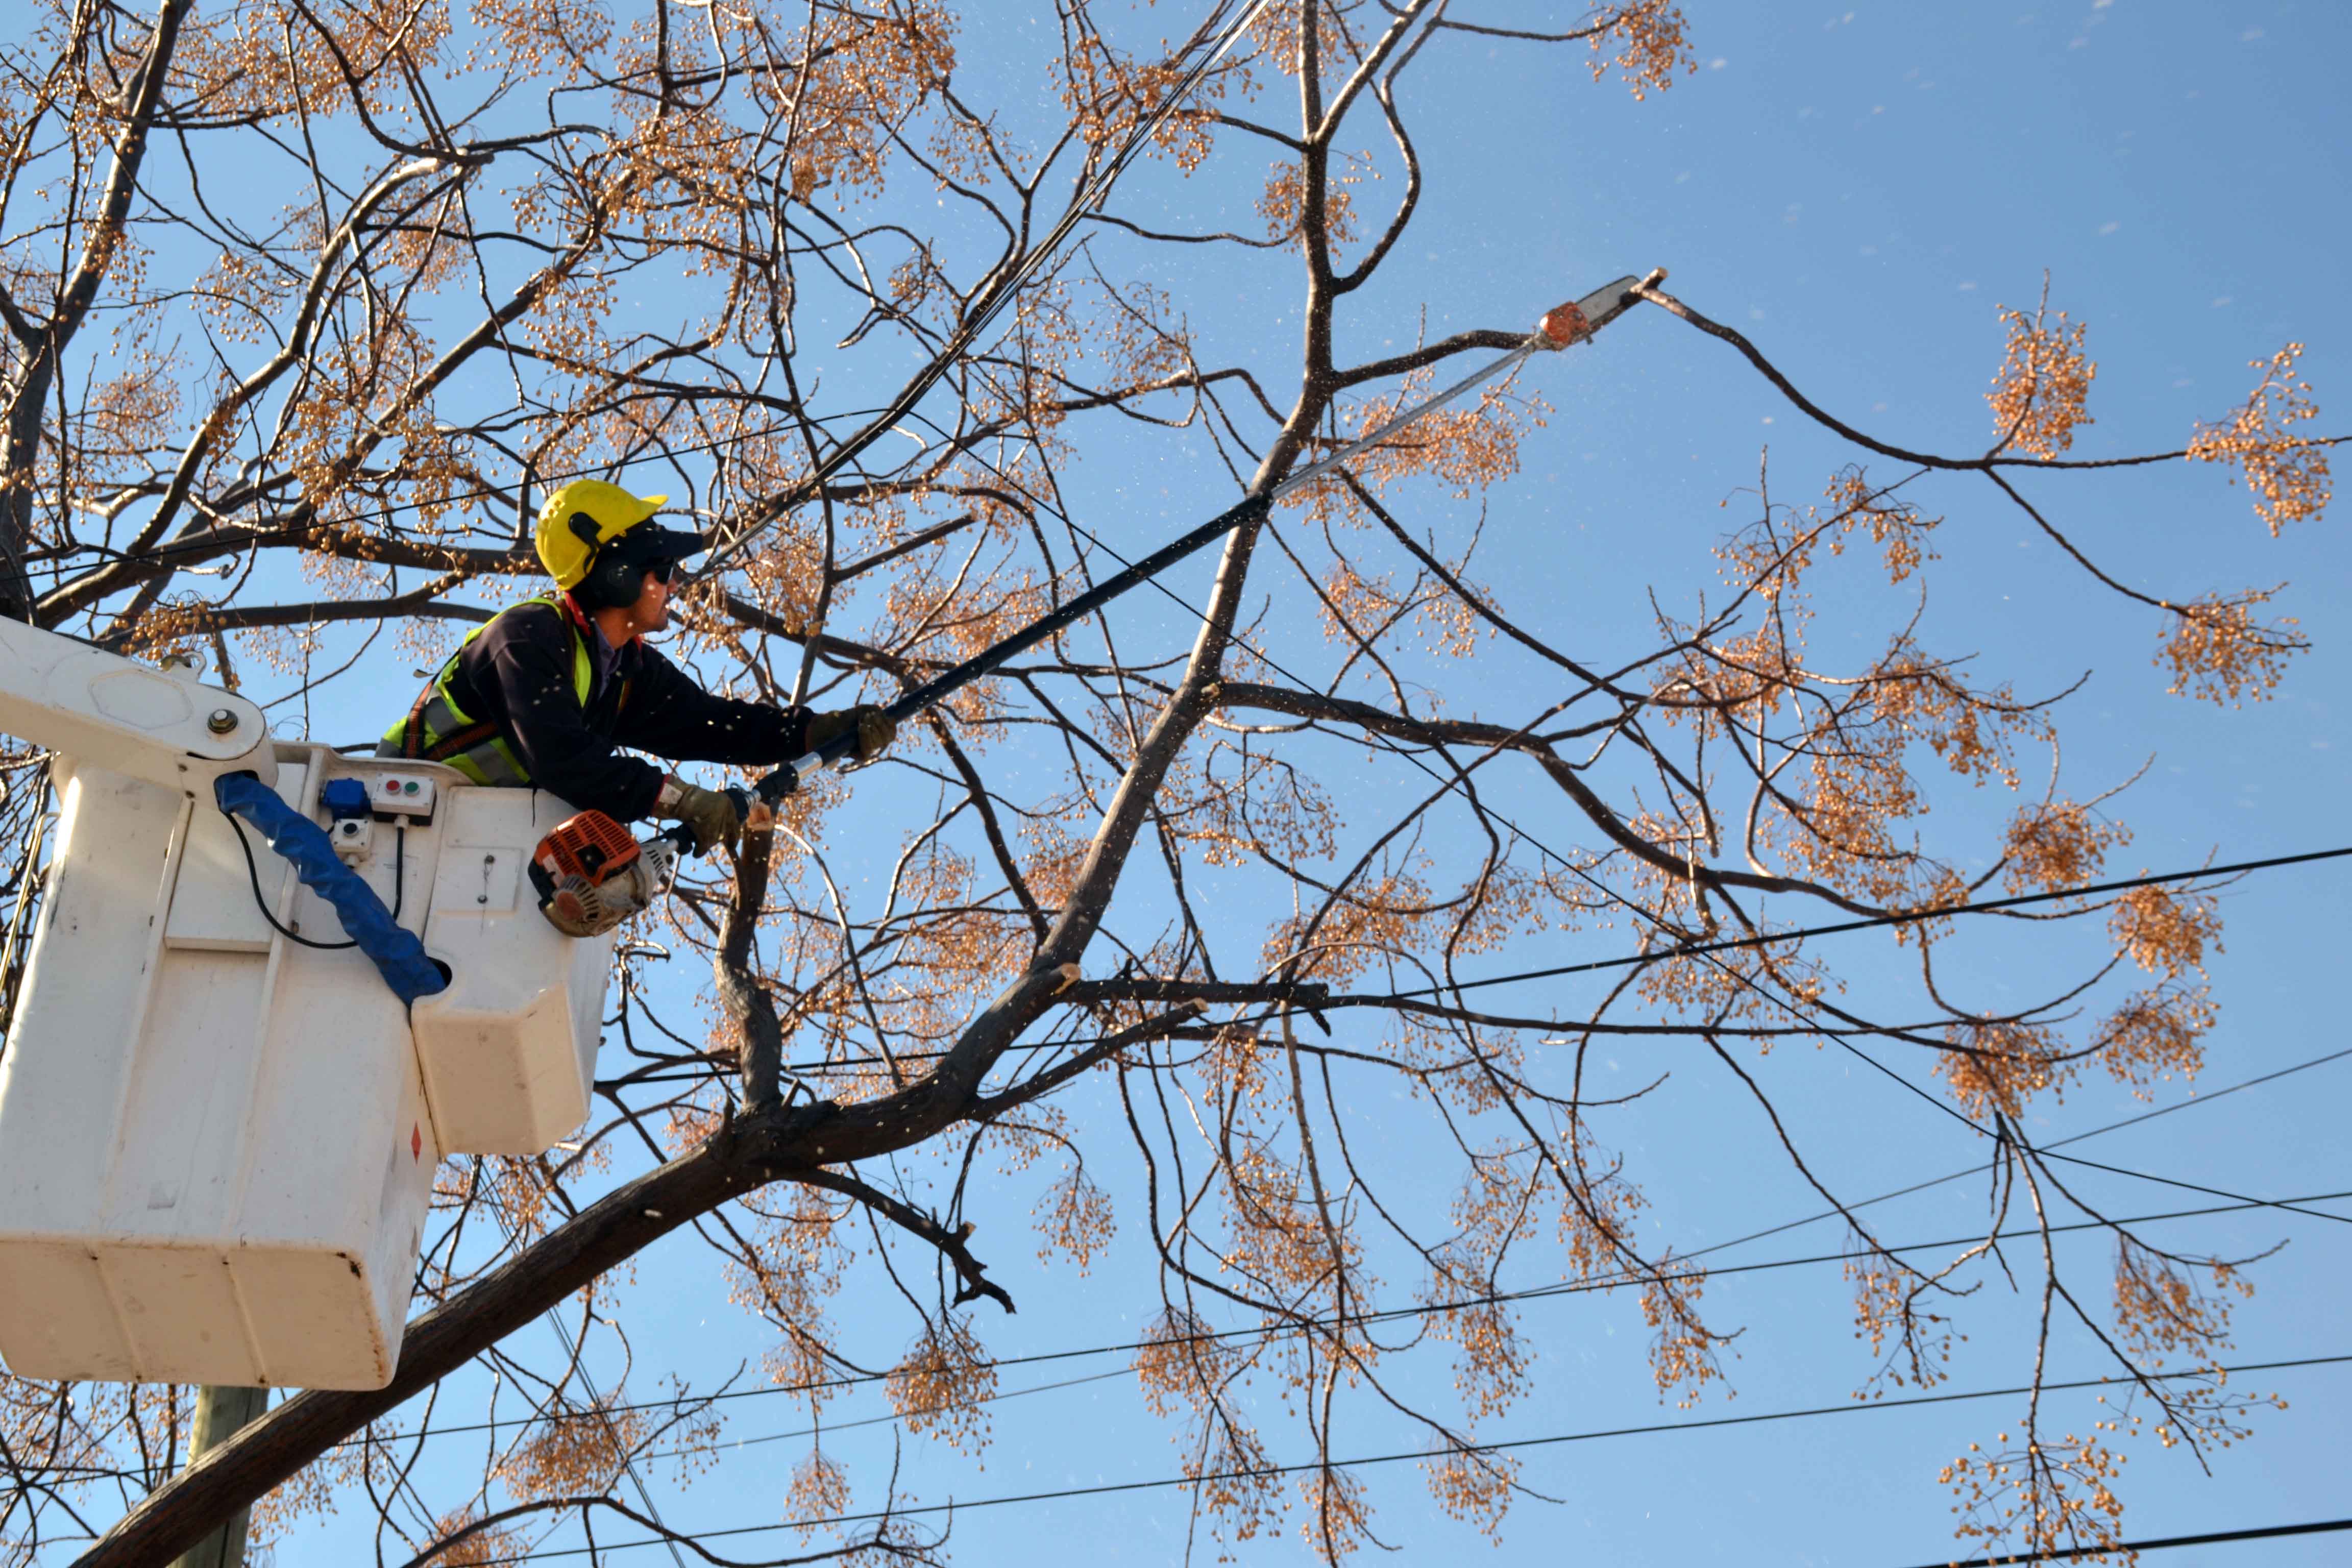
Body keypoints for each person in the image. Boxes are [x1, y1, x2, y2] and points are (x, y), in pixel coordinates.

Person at [380, 478, 894, 853]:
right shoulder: (526, 638)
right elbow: (562, 757)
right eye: (663, 569)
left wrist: (814, 732)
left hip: (477, 839)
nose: (675, 584)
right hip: (398, 817)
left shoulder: (624, 670)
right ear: (618, 576)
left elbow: (711, 724)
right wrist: (678, 800)